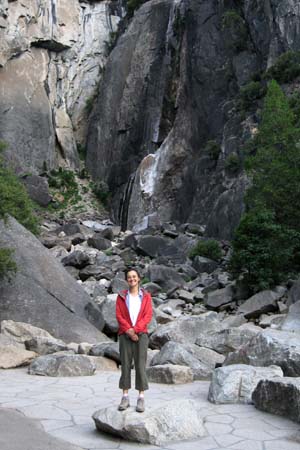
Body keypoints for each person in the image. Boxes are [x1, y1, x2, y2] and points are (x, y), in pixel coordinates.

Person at [115, 268, 152, 413]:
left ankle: (141, 398)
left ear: (138, 278)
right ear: (126, 280)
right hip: (125, 335)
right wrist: (129, 331)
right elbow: (119, 316)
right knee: (125, 365)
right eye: (129, 277)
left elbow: (147, 316)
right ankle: (125, 396)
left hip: (141, 335)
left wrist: (135, 330)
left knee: (140, 365)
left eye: (134, 276)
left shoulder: (146, 297)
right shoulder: (121, 297)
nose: (132, 279)